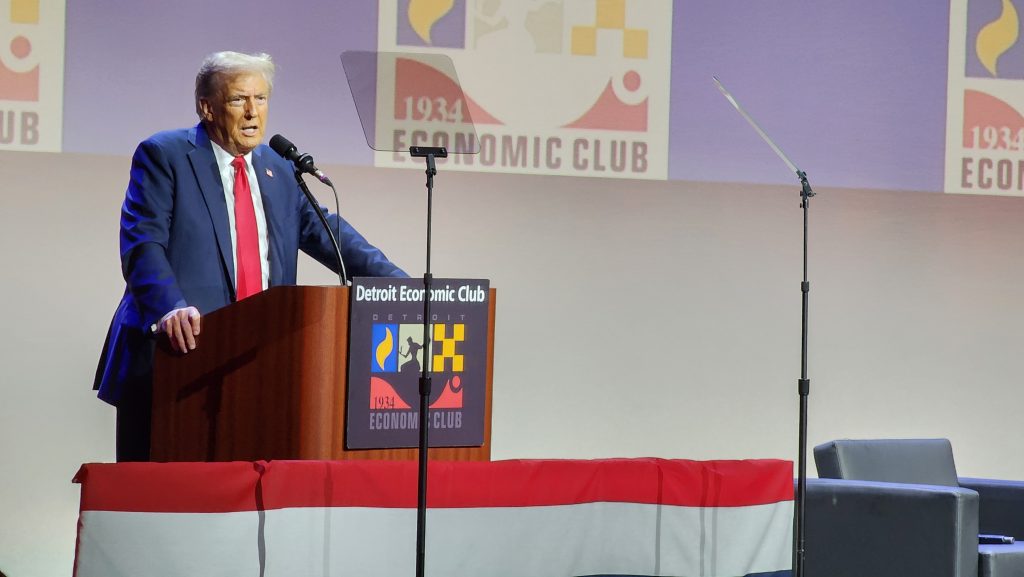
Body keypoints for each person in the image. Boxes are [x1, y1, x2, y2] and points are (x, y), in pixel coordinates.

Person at [93, 51, 407, 462]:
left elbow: (333, 237)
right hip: (177, 357)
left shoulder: (278, 169)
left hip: (257, 369)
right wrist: (169, 308)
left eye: (261, 99)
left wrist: (403, 287)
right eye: (239, 99)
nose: (252, 112)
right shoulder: (164, 155)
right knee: (162, 503)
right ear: (207, 107)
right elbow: (142, 244)